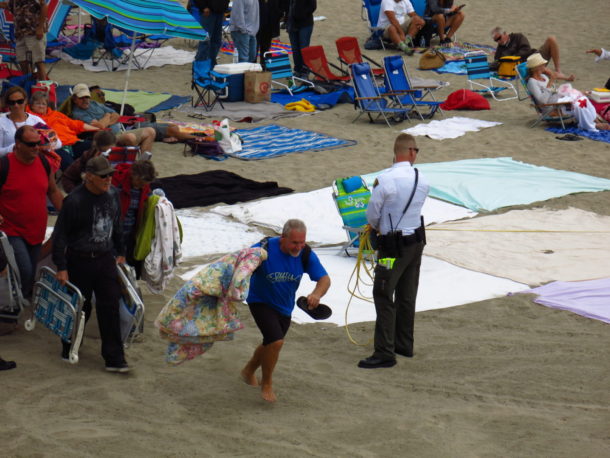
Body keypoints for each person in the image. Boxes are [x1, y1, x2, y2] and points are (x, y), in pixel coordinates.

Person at [52, 155, 130, 373]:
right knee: (80, 307)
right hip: (79, 260)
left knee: (110, 305)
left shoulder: (113, 195)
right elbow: (60, 236)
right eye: (104, 176)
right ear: (90, 177)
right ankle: (69, 346)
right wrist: (61, 266)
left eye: (111, 175)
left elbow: (117, 225)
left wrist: (121, 252)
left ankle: (114, 358)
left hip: (105, 258)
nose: (109, 180)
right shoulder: (75, 201)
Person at [241, 219, 330, 402]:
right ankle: (267, 384)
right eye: (294, 242)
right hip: (260, 300)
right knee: (276, 342)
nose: (298, 247)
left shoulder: (305, 254)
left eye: (302, 242)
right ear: (283, 238)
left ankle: (248, 370)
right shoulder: (263, 249)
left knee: (271, 343)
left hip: (284, 306)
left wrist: (316, 294)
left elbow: (324, 279)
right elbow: (240, 268)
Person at [359, 133, 428, 369]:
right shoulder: (422, 179)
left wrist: (379, 229)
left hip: (392, 247)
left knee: (383, 293)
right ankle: (403, 344)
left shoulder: (386, 180)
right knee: (407, 295)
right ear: (410, 152)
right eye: (416, 150)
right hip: (416, 242)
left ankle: (384, 352)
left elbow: (372, 214)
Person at [0, 126, 63, 309]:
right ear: (18, 144)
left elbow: (53, 191)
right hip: (11, 230)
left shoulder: (43, 162)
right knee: (25, 270)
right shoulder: (4, 165)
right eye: (31, 144)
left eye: (38, 143)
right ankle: (14, 306)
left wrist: (67, 214)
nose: (36, 148)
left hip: (36, 229)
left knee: (31, 270)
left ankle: (15, 303)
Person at [526, 53, 608, 132]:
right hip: (552, 106)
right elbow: (542, 100)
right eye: (542, 64)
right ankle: (592, 125)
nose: (544, 66)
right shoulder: (532, 82)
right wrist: (550, 82)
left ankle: (594, 120)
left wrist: (561, 90)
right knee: (578, 104)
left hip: (559, 99)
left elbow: (553, 90)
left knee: (583, 99)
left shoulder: (543, 77)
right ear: (536, 67)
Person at [69, 83, 156, 156]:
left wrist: (105, 121)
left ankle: (143, 163)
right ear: (74, 99)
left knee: (151, 131)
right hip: (106, 140)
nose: (85, 100)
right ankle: (130, 166)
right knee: (130, 137)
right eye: (81, 98)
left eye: (87, 97)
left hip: (119, 132)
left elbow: (116, 115)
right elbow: (100, 127)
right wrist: (107, 116)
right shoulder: (78, 114)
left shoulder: (94, 104)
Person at [112, 159, 156, 277]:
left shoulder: (144, 188)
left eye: (145, 184)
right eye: (141, 182)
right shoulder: (117, 183)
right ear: (134, 175)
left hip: (130, 232)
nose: (143, 186)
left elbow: (149, 201)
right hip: (113, 231)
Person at [27, 91, 99, 161]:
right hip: (58, 147)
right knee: (70, 166)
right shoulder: (31, 119)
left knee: (97, 146)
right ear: (32, 105)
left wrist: (98, 129)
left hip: (73, 141)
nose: (41, 106)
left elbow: (75, 124)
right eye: (38, 103)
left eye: (43, 104)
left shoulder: (55, 114)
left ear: (47, 106)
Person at [490, 27, 574, 81]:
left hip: (533, 56)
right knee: (537, 69)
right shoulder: (500, 49)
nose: (498, 41)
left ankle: (558, 70)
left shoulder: (518, 36)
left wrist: (512, 55)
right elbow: (497, 63)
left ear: (505, 33)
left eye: (499, 38)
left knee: (551, 39)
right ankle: (563, 77)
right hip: (526, 66)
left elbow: (526, 50)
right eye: (496, 40)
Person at [0, 87, 61, 157]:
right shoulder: (1, 123)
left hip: (35, 160)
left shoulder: (36, 120)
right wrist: (13, 148)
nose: (16, 105)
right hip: (11, 161)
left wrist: (43, 148)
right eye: (12, 102)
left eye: (20, 101)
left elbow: (57, 142)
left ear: (26, 101)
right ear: (8, 104)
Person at [0, 0, 48, 80]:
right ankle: (27, 85)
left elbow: (44, 6)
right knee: (22, 61)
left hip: (34, 32)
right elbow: (6, 4)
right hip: (20, 34)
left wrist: (40, 28)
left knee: (38, 61)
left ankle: (44, 87)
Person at [282, 0, 317, 76]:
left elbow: (313, 6)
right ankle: (297, 69)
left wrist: (301, 15)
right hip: (292, 23)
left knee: (304, 48)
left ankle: (305, 70)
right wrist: (286, 20)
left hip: (305, 24)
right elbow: (286, 5)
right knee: (295, 48)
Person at [190, 0, 230, 65]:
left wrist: (224, 10)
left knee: (216, 40)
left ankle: (211, 62)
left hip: (220, 12)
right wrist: (203, 7)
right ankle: (200, 63)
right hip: (208, 12)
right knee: (205, 40)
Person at [257, 0, 282, 68]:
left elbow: (279, 8)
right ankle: (252, 69)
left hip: (269, 26)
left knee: (265, 48)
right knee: (253, 50)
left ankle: (264, 67)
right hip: (256, 26)